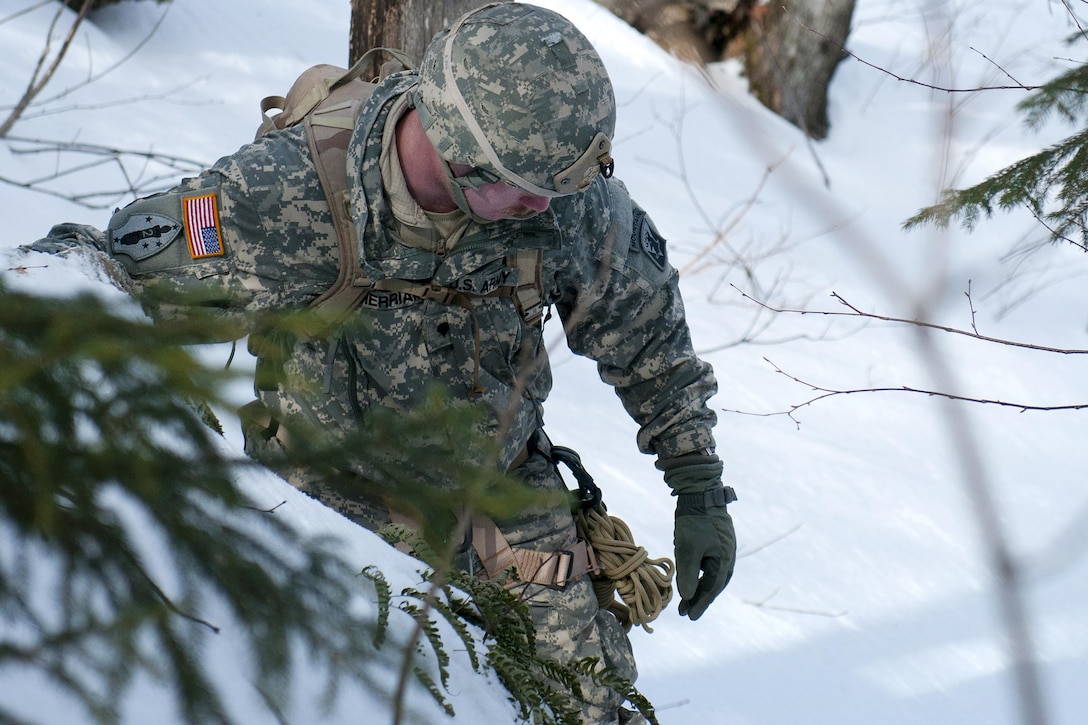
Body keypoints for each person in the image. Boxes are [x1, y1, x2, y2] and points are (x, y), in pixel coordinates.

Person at [26, 3, 736, 722]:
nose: (542, 204)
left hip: (505, 507)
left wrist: (697, 480)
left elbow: (645, 327)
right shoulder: (284, 196)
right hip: (330, 510)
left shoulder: (558, 196)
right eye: (523, 186)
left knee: (588, 703)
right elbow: (104, 268)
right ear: (456, 145)